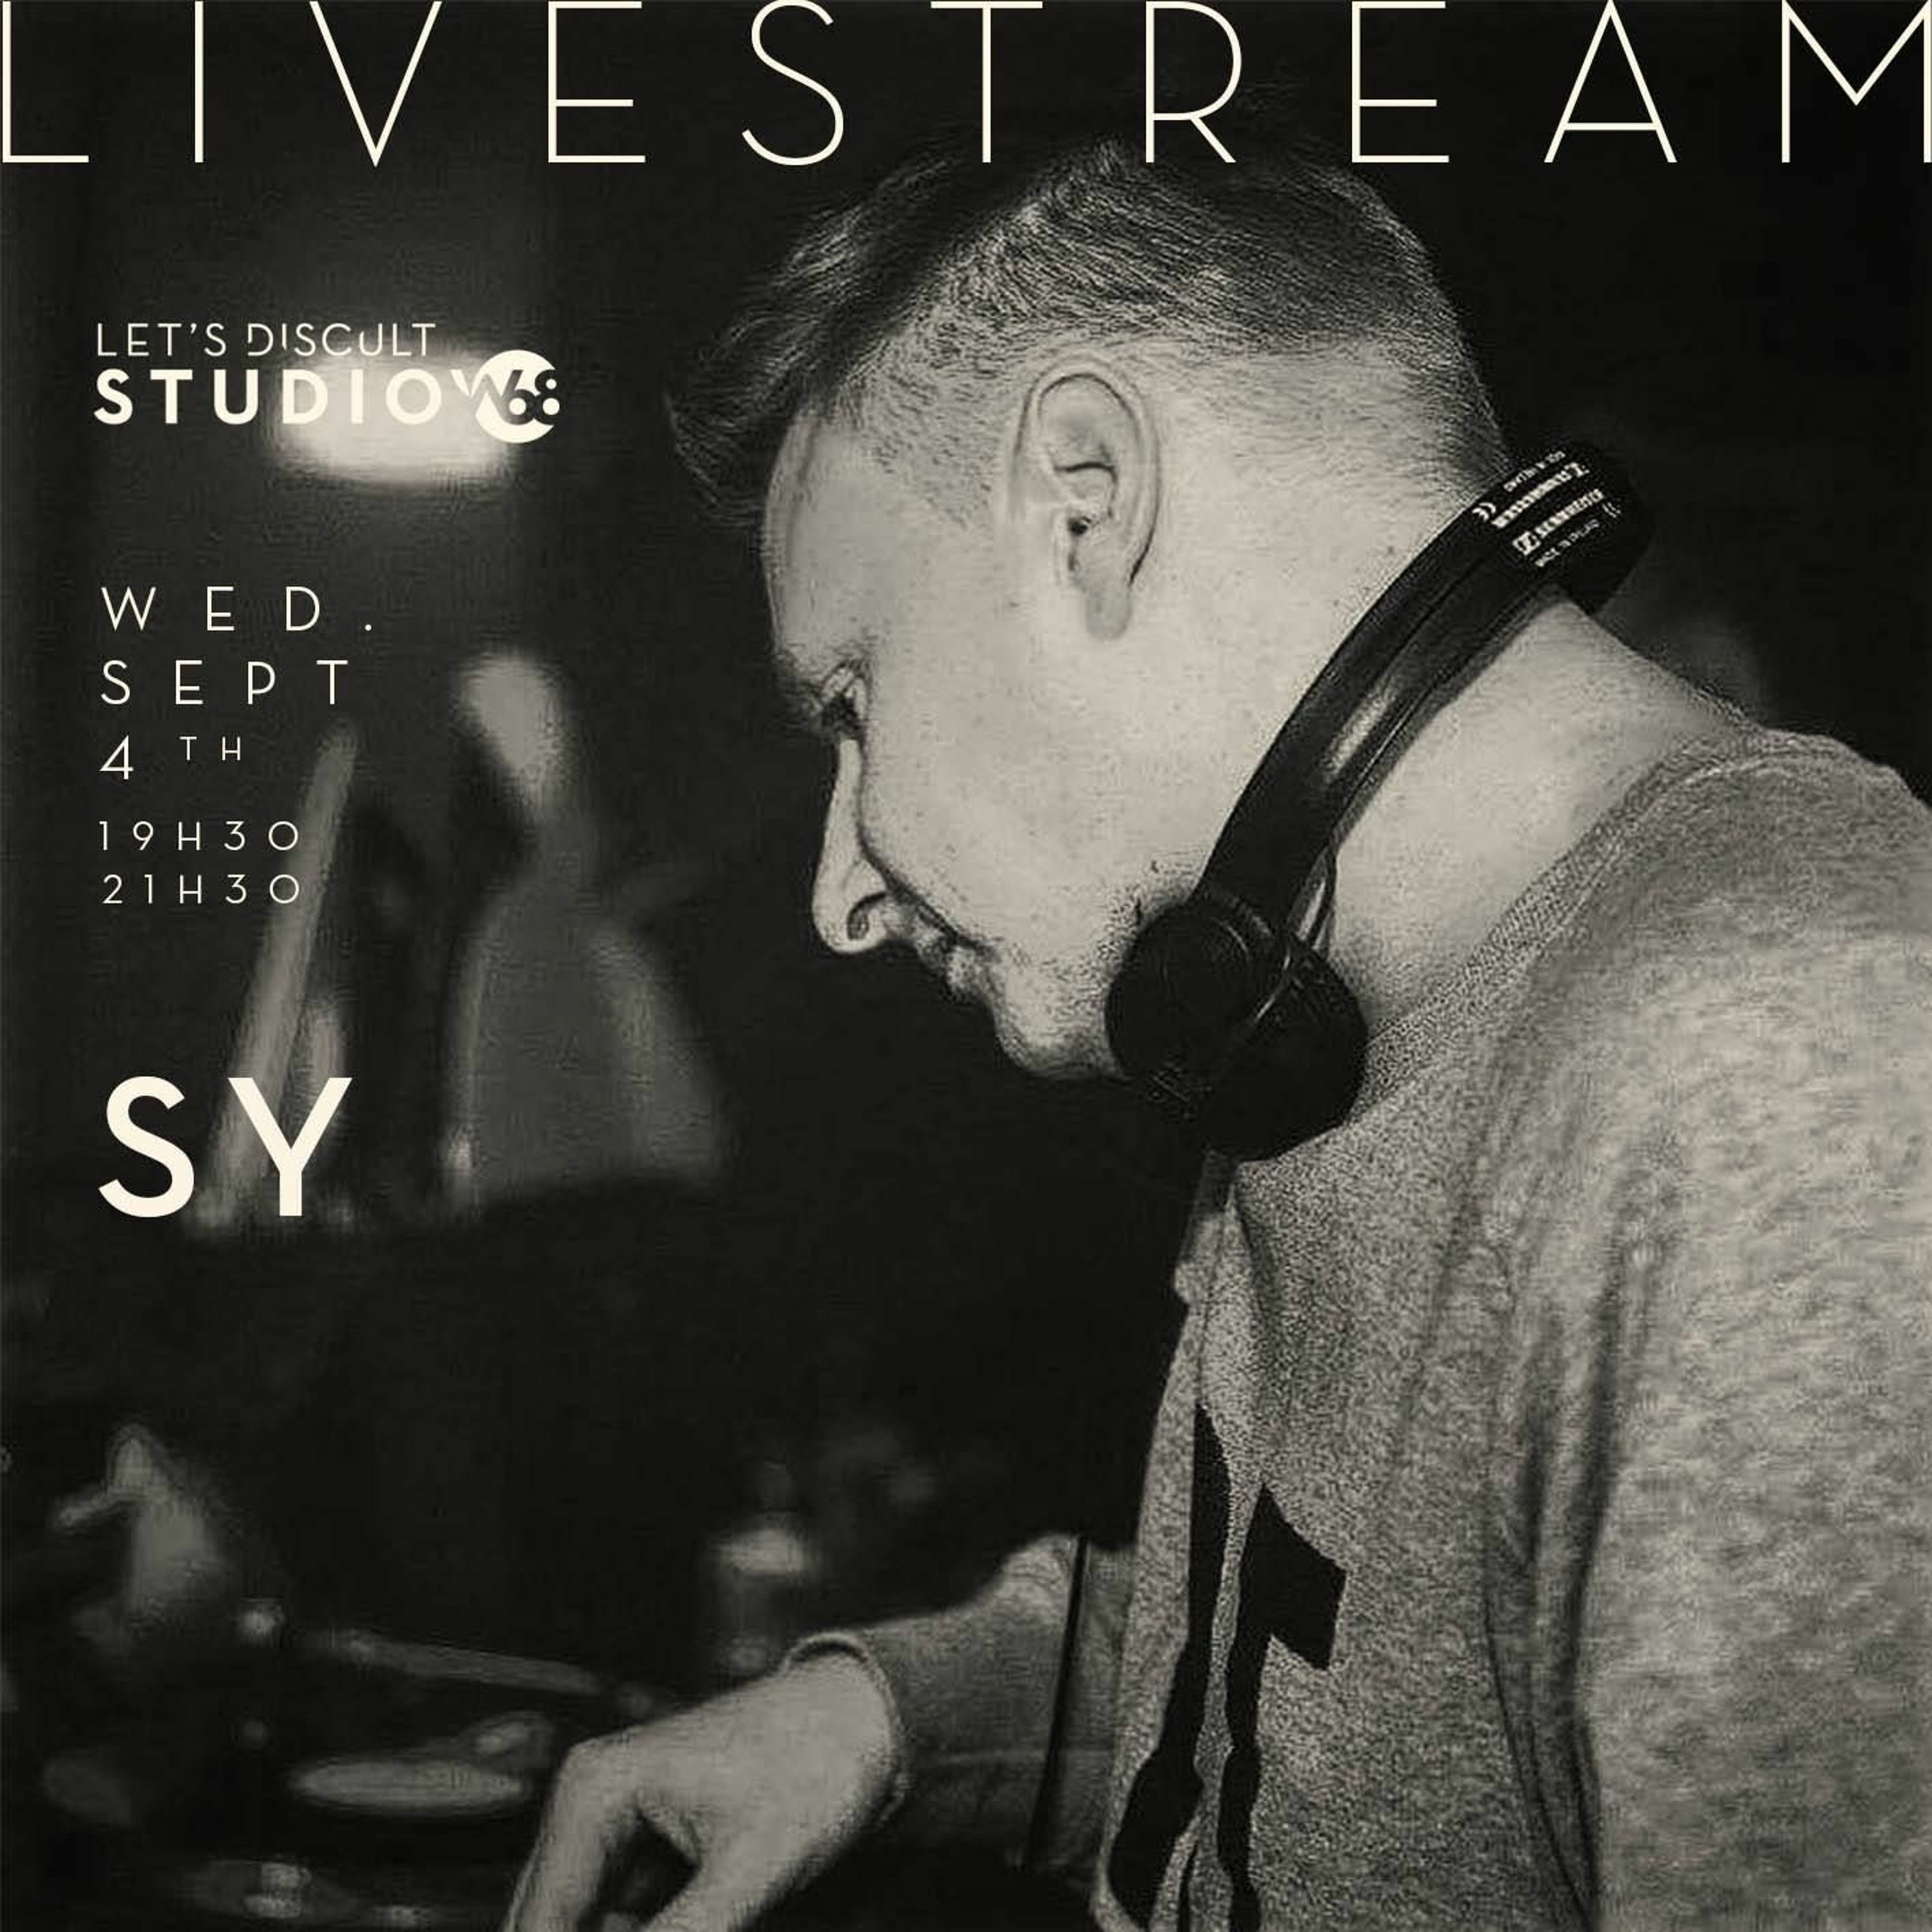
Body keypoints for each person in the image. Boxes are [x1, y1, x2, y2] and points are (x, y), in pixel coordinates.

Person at [505, 130, 1932, 1931]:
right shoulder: (1338, 1015)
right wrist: (897, 1719)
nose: (839, 893)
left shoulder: (1794, 1078)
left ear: (1086, 496)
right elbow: (1363, 1665)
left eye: (855, 698)